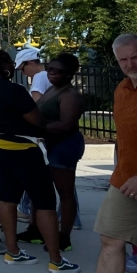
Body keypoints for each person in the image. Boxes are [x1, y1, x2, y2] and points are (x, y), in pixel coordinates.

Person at [0, 49, 79, 273]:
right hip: (24, 151)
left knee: (7, 197)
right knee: (45, 202)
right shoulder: (15, 90)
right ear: (5, 67)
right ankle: (56, 260)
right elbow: (37, 120)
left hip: (0, 148)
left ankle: (12, 252)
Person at [72, 33, 137, 273]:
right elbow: (125, 136)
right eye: (124, 60)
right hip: (126, 183)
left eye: (135, 57)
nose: (130, 64)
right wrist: (120, 170)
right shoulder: (121, 90)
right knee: (110, 240)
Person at [19, 53, 85, 252]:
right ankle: (35, 230)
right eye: (50, 69)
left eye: (59, 71)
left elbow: (65, 125)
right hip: (46, 146)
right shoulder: (52, 90)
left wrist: (35, 128)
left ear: (70, 74)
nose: (53, 73)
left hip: (64, 147)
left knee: (65, 192)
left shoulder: (70, 95)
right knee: (40, 190)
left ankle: (64, 237)